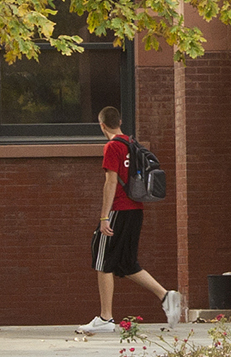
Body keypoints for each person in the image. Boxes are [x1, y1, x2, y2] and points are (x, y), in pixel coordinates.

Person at [77, 103, 181, 333]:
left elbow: (111, 181)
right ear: (120, 122)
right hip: (136, 210)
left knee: (102, 260)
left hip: (118, 211)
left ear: (102, 125)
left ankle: (105, 319)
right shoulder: (132, 143)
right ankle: (166, 296)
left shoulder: (112, 147)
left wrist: (104, 217)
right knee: (126, 264)